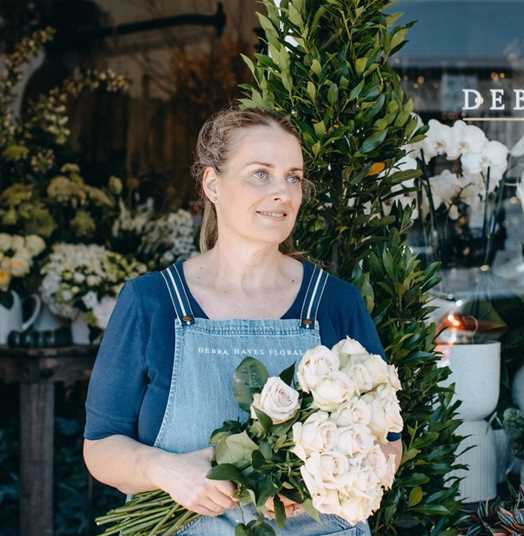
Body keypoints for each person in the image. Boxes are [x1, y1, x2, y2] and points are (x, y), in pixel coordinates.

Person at [83, 107, 402, 535]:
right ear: (212, 184)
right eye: (260, 174)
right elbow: (100, 447)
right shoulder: (152, 302)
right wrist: (165, 471)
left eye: (293, 176)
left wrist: (313, 482)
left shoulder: (335, 302)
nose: (283, 193)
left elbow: (387, 445)